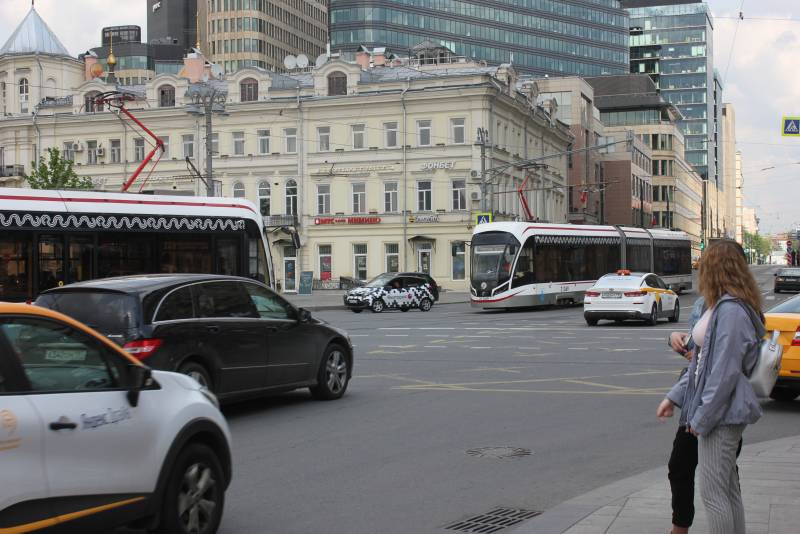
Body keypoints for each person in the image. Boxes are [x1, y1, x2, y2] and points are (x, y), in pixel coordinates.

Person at [657, 240, 764, 534]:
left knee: (715, 495)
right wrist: (675, 397)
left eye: (705, 263)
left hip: (722, 413)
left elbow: (723, 373)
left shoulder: (731, 311)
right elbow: (699, 364)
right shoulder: (722, 306)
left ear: (716, 268)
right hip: (717, 409)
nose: (700, 268)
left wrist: (702, 418)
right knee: (727, 490)